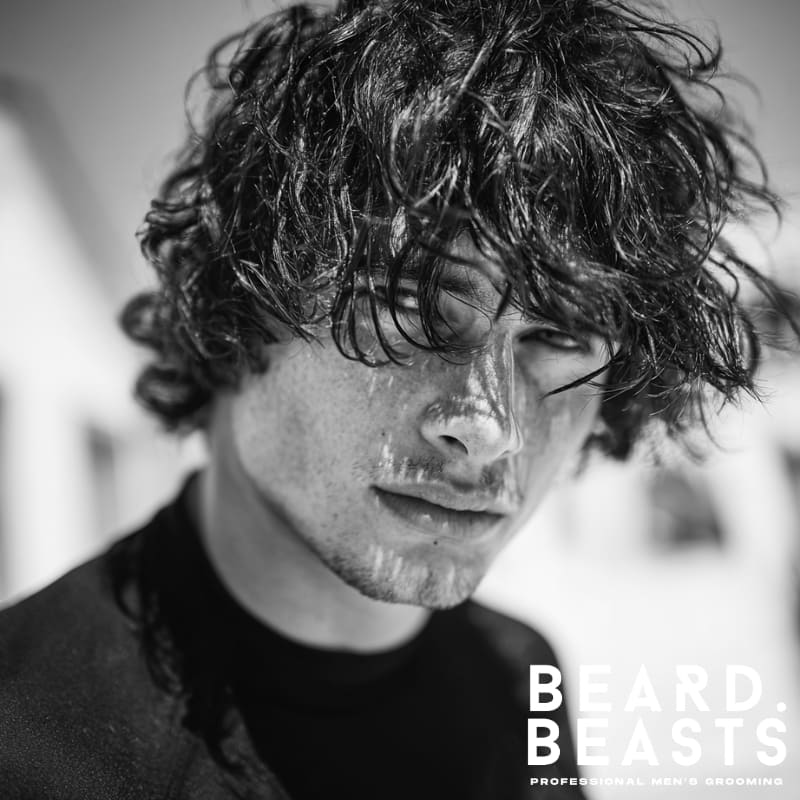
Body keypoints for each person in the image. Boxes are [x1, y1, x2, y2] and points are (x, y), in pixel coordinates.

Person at [0, 0, 789, 797]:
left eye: (559, 339)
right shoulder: (26, 742)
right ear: (237, 309)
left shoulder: (521, 678)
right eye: (411, 309)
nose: (489, 429)